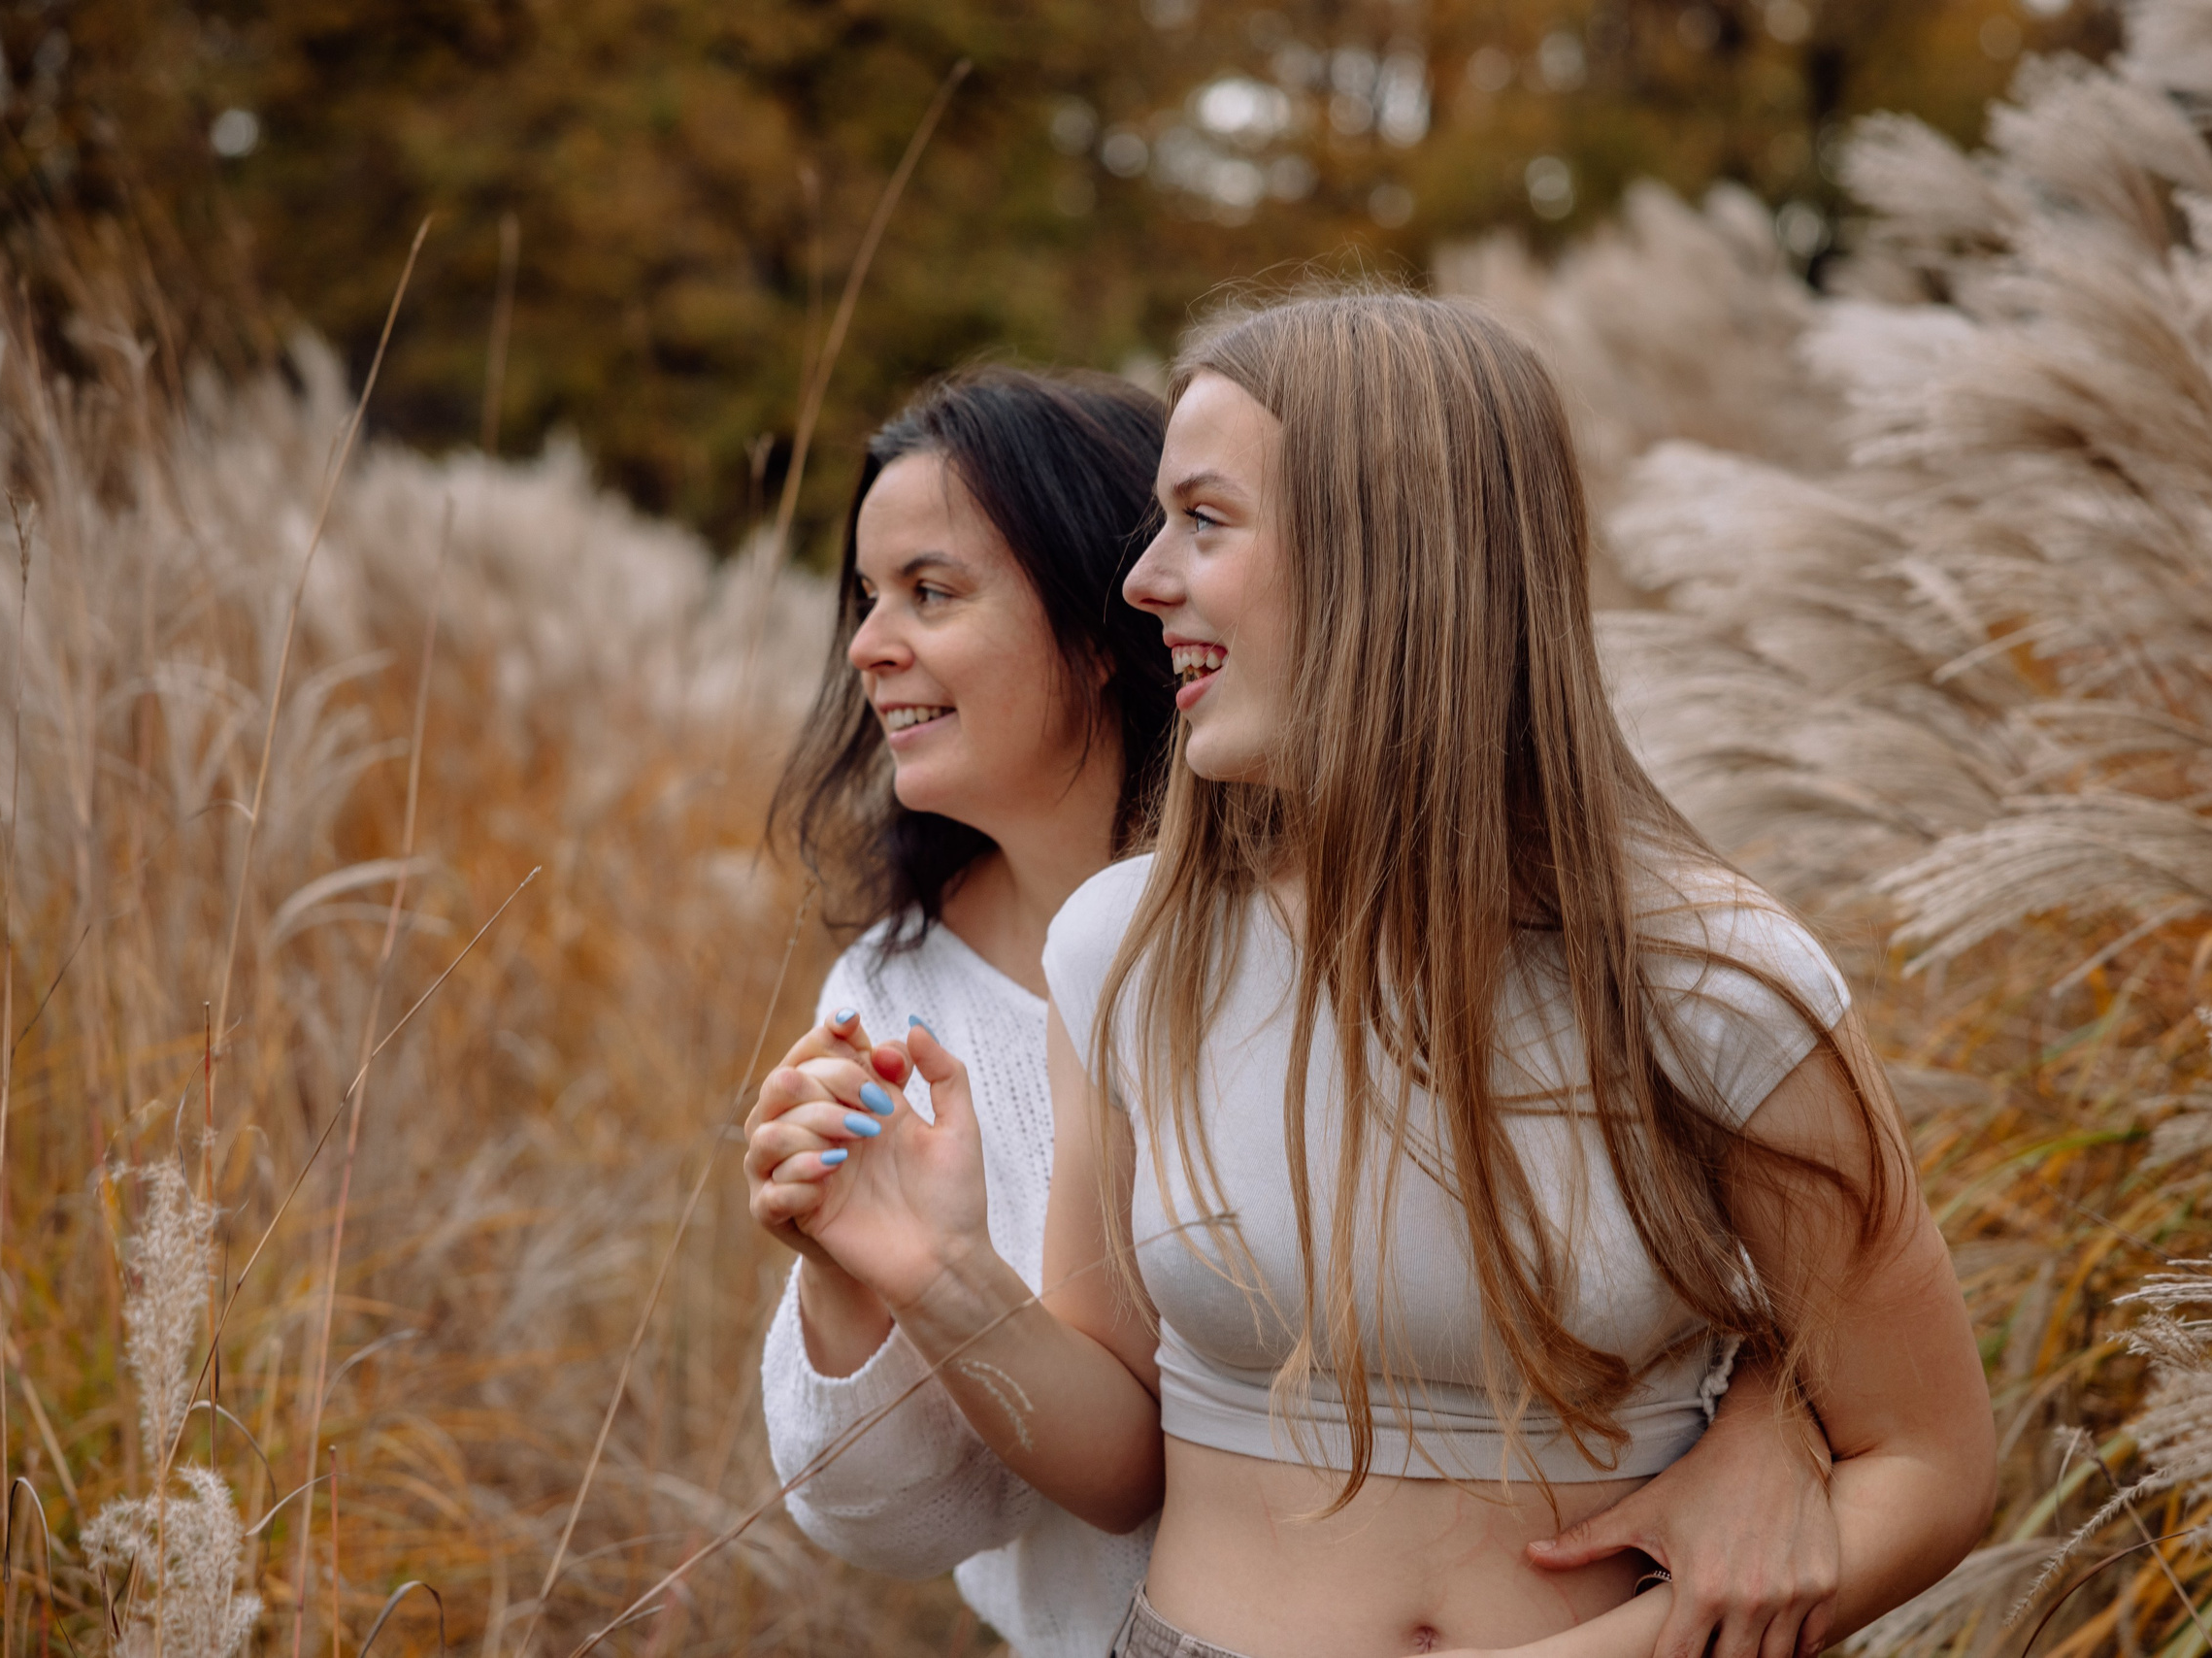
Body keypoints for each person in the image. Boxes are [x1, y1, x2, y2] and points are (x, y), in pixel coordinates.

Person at [749, 348, 1872, 1658]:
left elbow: (1744, 1299)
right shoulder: (927, 1001)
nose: (868, 646)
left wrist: (1774, 1414)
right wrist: (887, 1281)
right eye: (867, 596)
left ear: (1094, 631)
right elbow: (911, 1516)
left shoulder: (1574, 932)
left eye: (929, 592)